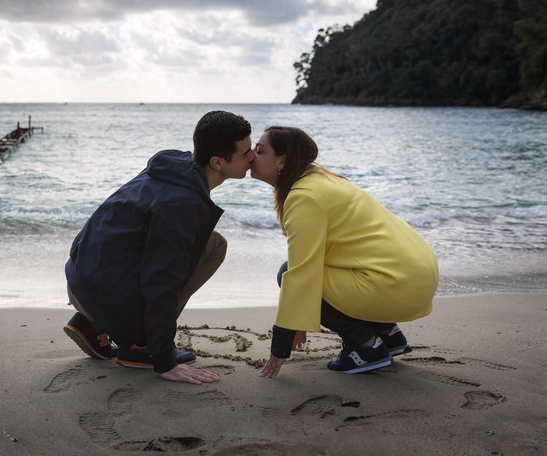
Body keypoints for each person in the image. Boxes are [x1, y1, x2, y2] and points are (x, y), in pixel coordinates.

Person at [63, 111, 254, 385]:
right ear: (217, 162)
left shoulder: (175, 165)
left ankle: (91, 323)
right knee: (197, 255)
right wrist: (163, 359)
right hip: (100, 292)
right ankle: (140, 346)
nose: (253, 157)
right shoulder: (183, 204)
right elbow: (161, 280)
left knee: (212, 244)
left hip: (83, 278)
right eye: (246, 153)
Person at [249, 126, 439, 377]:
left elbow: (301, 273)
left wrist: (281, 345)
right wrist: (299, 316)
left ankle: (366, 346)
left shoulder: (304, 196)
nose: (251, 155)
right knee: (310, 273)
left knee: (286, 272)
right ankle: (388, 335)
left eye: (259, 151)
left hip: (395, 284)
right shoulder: (322, 179)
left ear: (282, 160)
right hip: (415, 278)